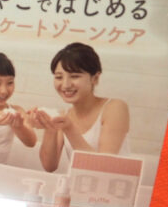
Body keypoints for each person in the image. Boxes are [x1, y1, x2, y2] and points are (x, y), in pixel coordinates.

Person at [32, 43, 129, 172]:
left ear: (95, 78)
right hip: (79, 183)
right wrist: (50, 128)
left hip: (114, 183)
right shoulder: (63, 115)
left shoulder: (115, 108)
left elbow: (103, 167)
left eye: (75, 76)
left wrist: (69, 128)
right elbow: (49, 166)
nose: (65, 85)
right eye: (59, 77)